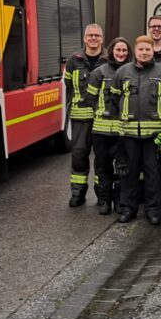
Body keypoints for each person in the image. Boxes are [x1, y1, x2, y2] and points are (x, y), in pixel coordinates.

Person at [109, 35, 161, 225]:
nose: (144, 53)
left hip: (154, 134)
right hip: (129, 133)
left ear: (153, 51)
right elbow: (115, 99)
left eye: (148, 49)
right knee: (129, 173)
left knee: (153, 173)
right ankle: (128, 208)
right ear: (135, 51)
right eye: (141, 49)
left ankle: (153, 210)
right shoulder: (122, 72)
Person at [86, 37, 131, 215]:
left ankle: (119, 200)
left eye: (124, 50)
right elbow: (91, 99)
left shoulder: (131, 71)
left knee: (122, 166)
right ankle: (104, 200)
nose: (121, 53)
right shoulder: (99, 72)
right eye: (118, 50)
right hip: (101, 130)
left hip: (123, 130)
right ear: (111, 51)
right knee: (102, 166)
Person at [64, 23, 106, 207]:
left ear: (102, 39)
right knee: (79, 155)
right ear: (84, 38)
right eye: (90, 35)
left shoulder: (108, 59)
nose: (94, 38)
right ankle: (78, 193)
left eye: (97, 35)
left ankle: (102, 195)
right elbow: (68, 85)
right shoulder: (74, 60)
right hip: (80, 118)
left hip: (103, 119)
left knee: (102, 158)